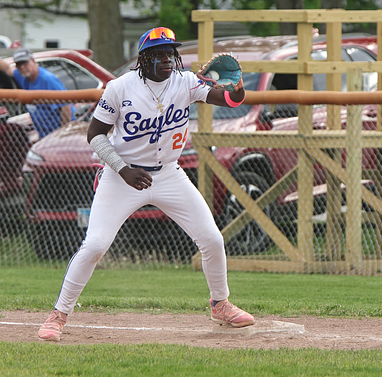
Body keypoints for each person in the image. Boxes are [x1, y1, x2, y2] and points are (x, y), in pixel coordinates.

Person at [37, 27, 254, 342]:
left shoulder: (185, 81)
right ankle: (58, 314)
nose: (166, 59)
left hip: (169, 174)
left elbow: (231, 101)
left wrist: (237, 86)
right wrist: (122, 169)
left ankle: (220, 304)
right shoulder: (120, 87)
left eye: (170, 53)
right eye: (158, 54)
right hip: (122, 177)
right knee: (95, 245)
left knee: (211, 239)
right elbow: (94, 134)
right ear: (143, 59)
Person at [0, 47, 75, 137]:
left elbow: (66, 106)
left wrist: (62, 133)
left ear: (33, 61)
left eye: (25, 63)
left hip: (57, 133)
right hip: (43, 134)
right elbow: (7, 69)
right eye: (18, 64)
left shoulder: (47, 80)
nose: (22, 67)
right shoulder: (22, 76)